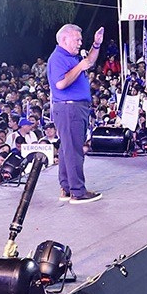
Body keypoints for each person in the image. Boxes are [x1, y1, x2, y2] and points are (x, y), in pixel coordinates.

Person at [48, 24, 105, 204]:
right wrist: (79, 67)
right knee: (73, 151)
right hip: (69, 108)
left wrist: (96, 45)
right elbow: (61, 84)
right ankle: (78, 191)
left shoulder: (71, 57)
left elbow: (88, 62)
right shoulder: (57, 58)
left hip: (73, 108)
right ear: (64, 39)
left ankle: (66, 187)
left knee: (67, 149)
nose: (80, 43)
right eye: (77, 39)